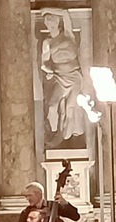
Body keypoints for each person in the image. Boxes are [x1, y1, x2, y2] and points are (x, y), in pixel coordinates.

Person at [41, 8, 86, 149]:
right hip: (59, 77)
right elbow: (43, 64)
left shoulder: (68, 34)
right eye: (49, 23)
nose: (52, 25)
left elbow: (65, 13)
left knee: (70, 107)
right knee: (52, 106)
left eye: (54, 21)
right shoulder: (47, 43)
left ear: (58, 23)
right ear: (46, 25)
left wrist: (46, 10)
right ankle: (55, 132)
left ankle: (68, 137)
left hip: (74, 77)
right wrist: (48, 71)